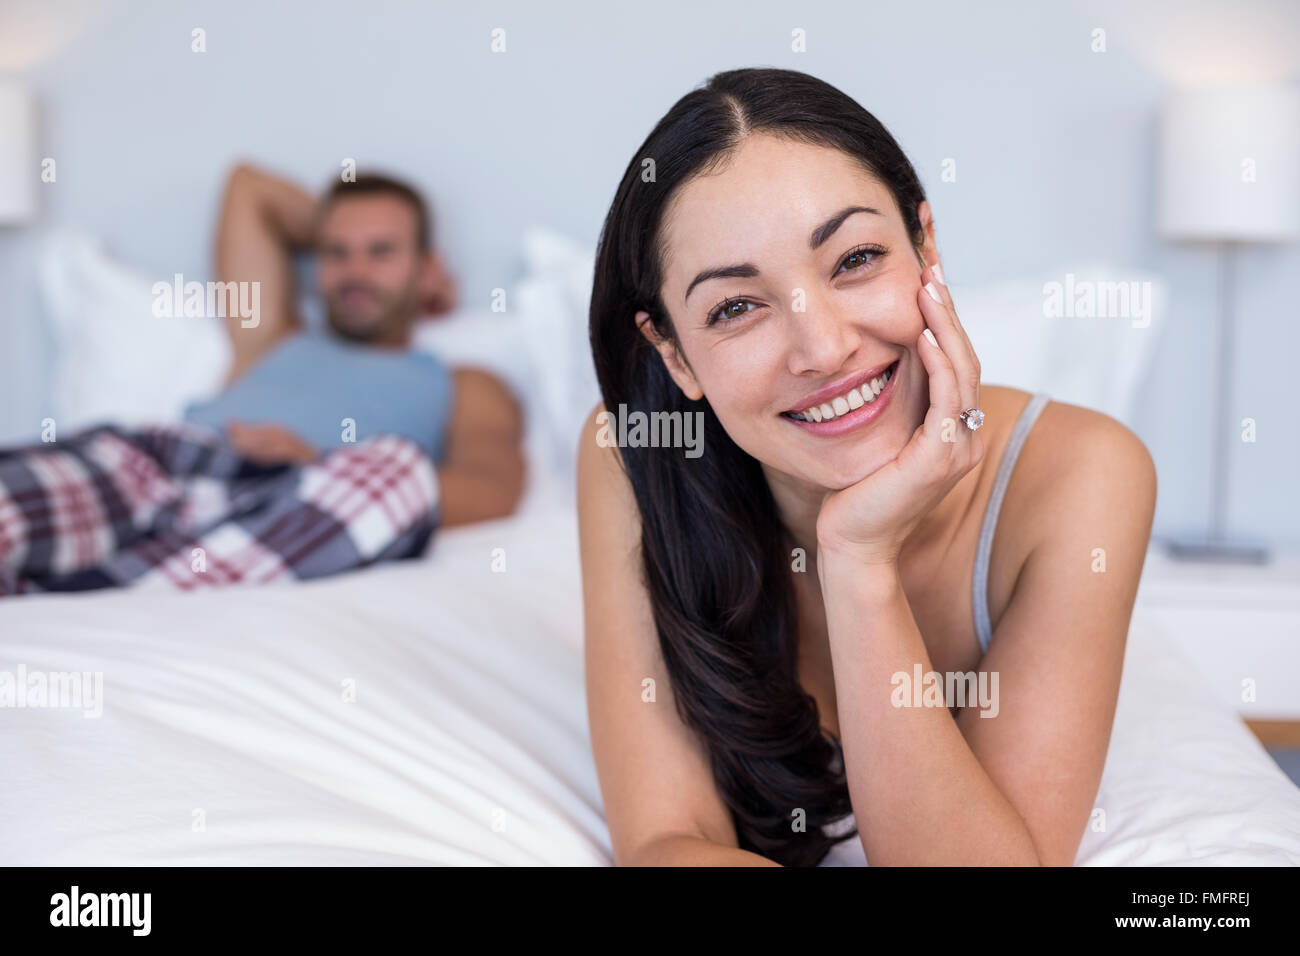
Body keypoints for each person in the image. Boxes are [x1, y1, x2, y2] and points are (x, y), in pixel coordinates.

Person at [578, 68, 1157, 866]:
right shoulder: (633, 452)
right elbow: (667, 844)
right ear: (674, 354)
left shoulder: (1084, 474)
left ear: (926, 249)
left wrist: (857, 560)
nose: (824, 349)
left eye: (854, 259)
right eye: (736, 307)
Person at [185, 163, 525, 527]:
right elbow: (248, 188)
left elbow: (490, 492)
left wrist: (322, 473)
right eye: (336, 251)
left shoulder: (464, 385)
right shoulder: (269, 336)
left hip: (283, 513)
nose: (355, 272)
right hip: (172, 468)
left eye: (381, 251)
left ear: (428, 269)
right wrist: (337, 222)